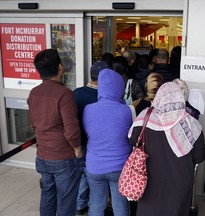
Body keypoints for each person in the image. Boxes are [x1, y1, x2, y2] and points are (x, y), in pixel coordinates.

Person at [128, 82, 205, 216]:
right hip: (179, 183)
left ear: (159, 97)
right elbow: (199, 156)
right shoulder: (191, 124)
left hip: (148, 180)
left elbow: (132, 140)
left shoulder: (144, 117)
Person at [27, 49, 84, 216]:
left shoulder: (34, 93)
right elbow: (71, 129)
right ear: (60, 67)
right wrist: (77, 148)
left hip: (42, 155)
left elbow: (33, 125)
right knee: (66, 200)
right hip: (63, 157)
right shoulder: (64, 94)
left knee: (47, 195)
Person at [83, 68, 132, 216]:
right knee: (121, 207)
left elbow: (88, 132)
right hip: (119, 167)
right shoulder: (128, 110)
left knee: (96, 204)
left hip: (94, 165)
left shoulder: (88, 109)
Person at [73, 60, 109, 215]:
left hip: (79, 142)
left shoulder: (76, 93)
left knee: (81, 174)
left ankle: (79, 204)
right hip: (98, 145)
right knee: (95, 178)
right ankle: (92, 204)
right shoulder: (105, 97)